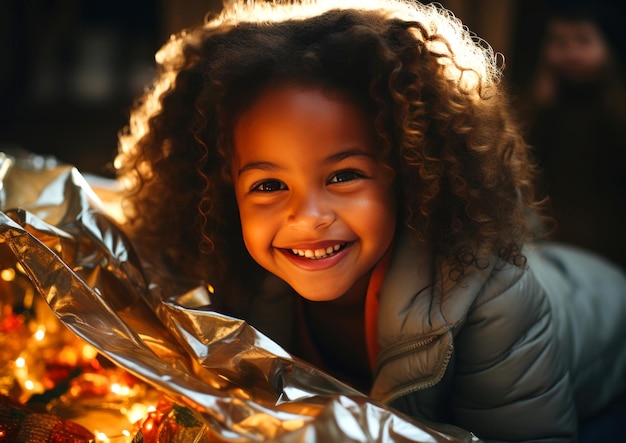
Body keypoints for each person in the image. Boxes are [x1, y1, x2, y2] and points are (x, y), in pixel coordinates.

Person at [114, 1, 626, 441]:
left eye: (343, 176)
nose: (307, 217)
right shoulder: (234, 279)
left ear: (408, 174)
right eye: (268, 185)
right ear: (225, 193)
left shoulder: (495, 301)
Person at [523, 4, 626, 270]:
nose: (571, 52)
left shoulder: (615, 111)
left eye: (583, 40)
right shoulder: (539, 107)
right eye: (559, 41)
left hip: (609, 258)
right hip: (550, 250)